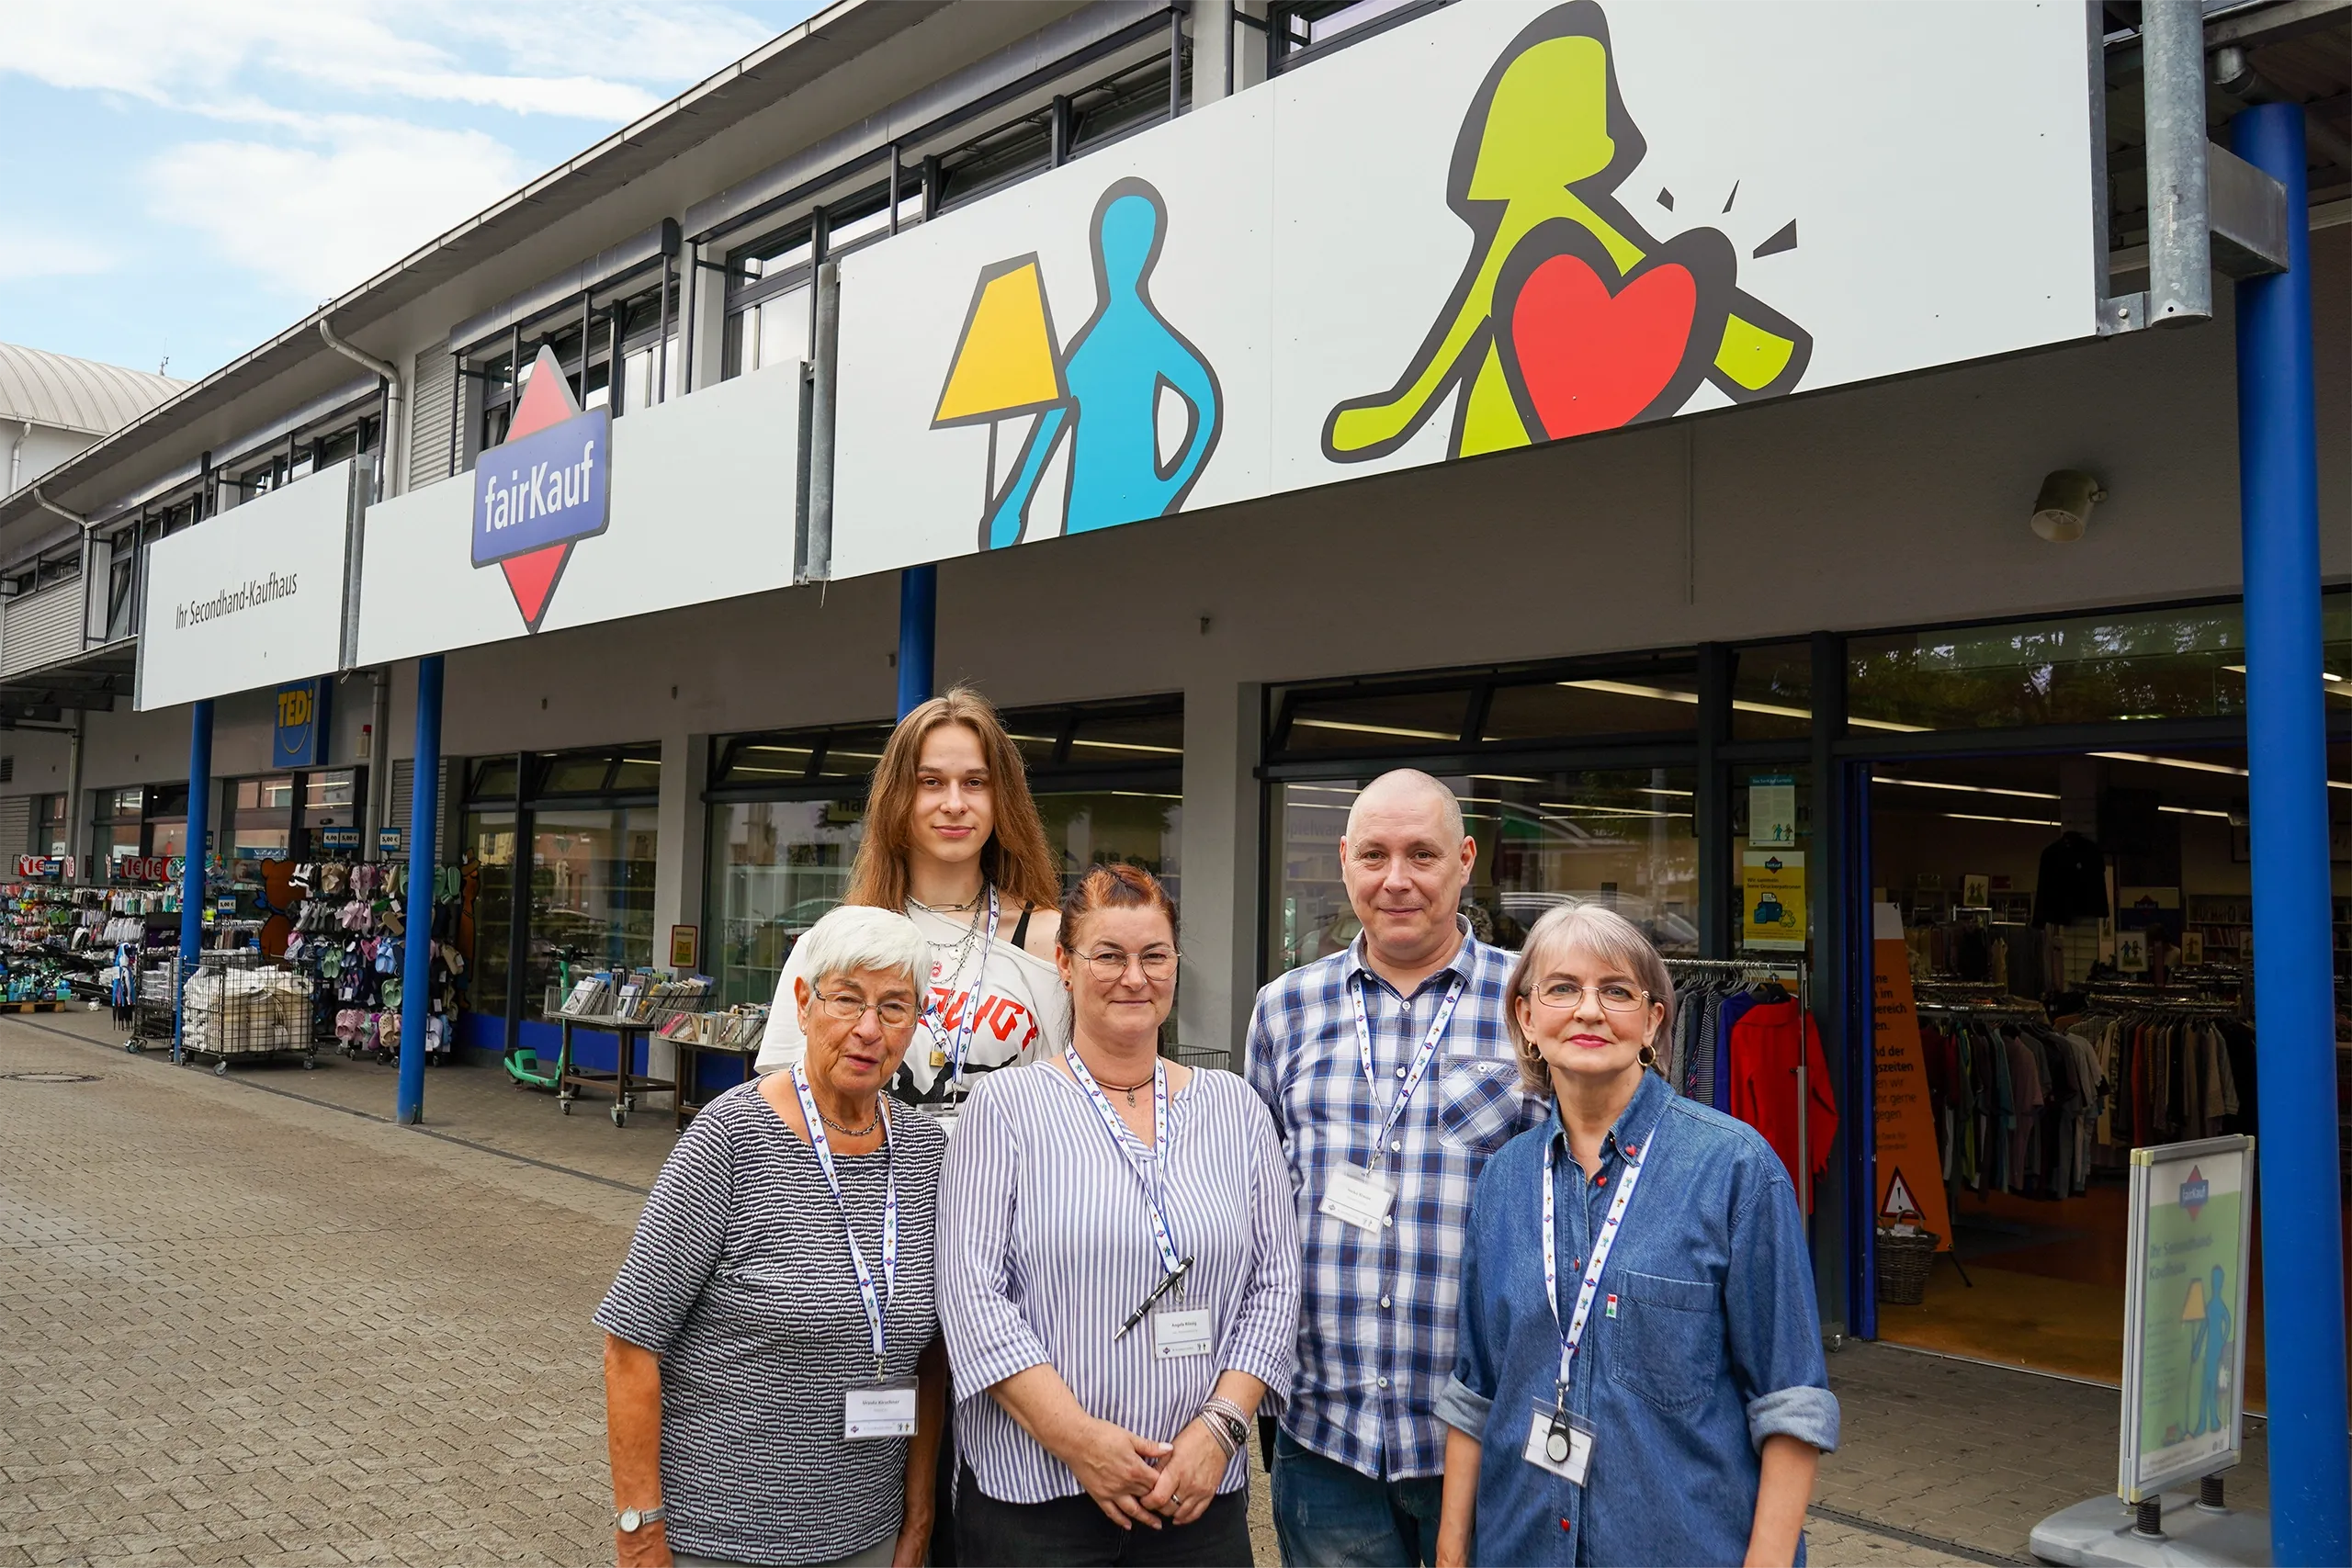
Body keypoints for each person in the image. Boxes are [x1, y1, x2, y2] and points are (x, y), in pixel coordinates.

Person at [1433, 903, 1838, 1568]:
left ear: (1653, 1021)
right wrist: (1451, 1555)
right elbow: (1474, 1390)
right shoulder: (1505, 1180)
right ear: (1527, 1018)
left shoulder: (1735, 1171)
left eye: (1616, 990)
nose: (1589, 1010)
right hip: (1520, 1545)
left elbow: (1791, 1405)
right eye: (1562, 988)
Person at [937, 863, 1299, 1565]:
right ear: (1065, 965)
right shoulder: (1006, 1109)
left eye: (1153, 955)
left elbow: (1276, 1286)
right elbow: (971, 1296)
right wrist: (1082, 1442)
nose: (1133, 976)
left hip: (1193, 1493)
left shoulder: (1235, 1109)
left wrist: (1218, 1432)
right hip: (1038, 1497)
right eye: (1109, 955)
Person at [1244, 770, 1544, 1568]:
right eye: (1374, 854)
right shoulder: (1284, 1009)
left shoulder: (1533, 1002)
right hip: (1325, 1433)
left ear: (1466, 859)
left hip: (1485, 1435)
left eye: (1422, 853)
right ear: (1345, 859)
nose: (1396, 879)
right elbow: (1258, 1206)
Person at [599, 907, 950, 1568]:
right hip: (720, 1537)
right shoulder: (729, 1139)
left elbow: (930, 1354)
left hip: (869, 1535)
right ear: (803, 1003)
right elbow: (630, 1344)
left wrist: (919, 1513)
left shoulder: (926, 1153)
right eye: (847, 999)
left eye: (895, 1006)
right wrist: (640, 1531)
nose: (869, 1029)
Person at [756, 686, 1071, 1109]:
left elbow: (1072, 1101)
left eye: (975, 782)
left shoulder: (1050, 942)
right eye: (932, 782)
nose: (955, 803)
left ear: (1002, 799)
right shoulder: (833, 943)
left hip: (1004, 1175)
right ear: (899, 797)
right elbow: (786, 1107)